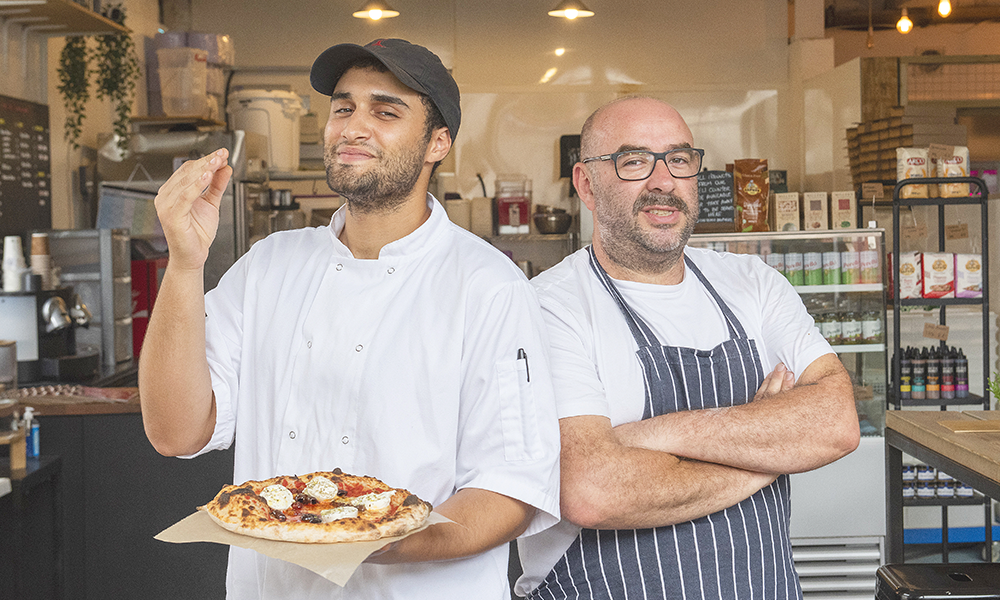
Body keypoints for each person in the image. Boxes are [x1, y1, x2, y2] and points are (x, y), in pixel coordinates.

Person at [139, 38, 560, 600]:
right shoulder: (269, 265)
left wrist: (361, 535)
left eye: (385, 112)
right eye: (343, 108)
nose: (353, 127)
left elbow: (510, 490)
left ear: (439, 143)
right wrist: (185, 261)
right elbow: (174, 431)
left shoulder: (486, 285)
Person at [515, 96, 860, 599]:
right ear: (586, 183)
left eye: (679, 160)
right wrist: (770, 451)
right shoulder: (549, 307)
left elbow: (836, 423)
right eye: (633, 161)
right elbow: (591, 490)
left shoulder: (752, 283)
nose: (663, 181)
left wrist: (646, 436)